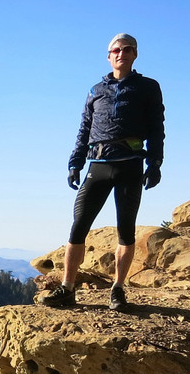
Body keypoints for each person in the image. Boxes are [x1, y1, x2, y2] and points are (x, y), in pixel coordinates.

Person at [41, 33, 165, 311]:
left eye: (128, 49)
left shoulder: (148, 87)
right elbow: (84, 128)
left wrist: (155, 162)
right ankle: (67, 288)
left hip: (130, 163)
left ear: (135, 54)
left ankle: (118, 289)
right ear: (109, 56)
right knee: (78, 227)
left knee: (126, 230)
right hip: (98, 164)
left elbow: (157, 126)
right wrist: (75, 163)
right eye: (116, 49)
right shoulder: (96, 90)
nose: (122, 53)